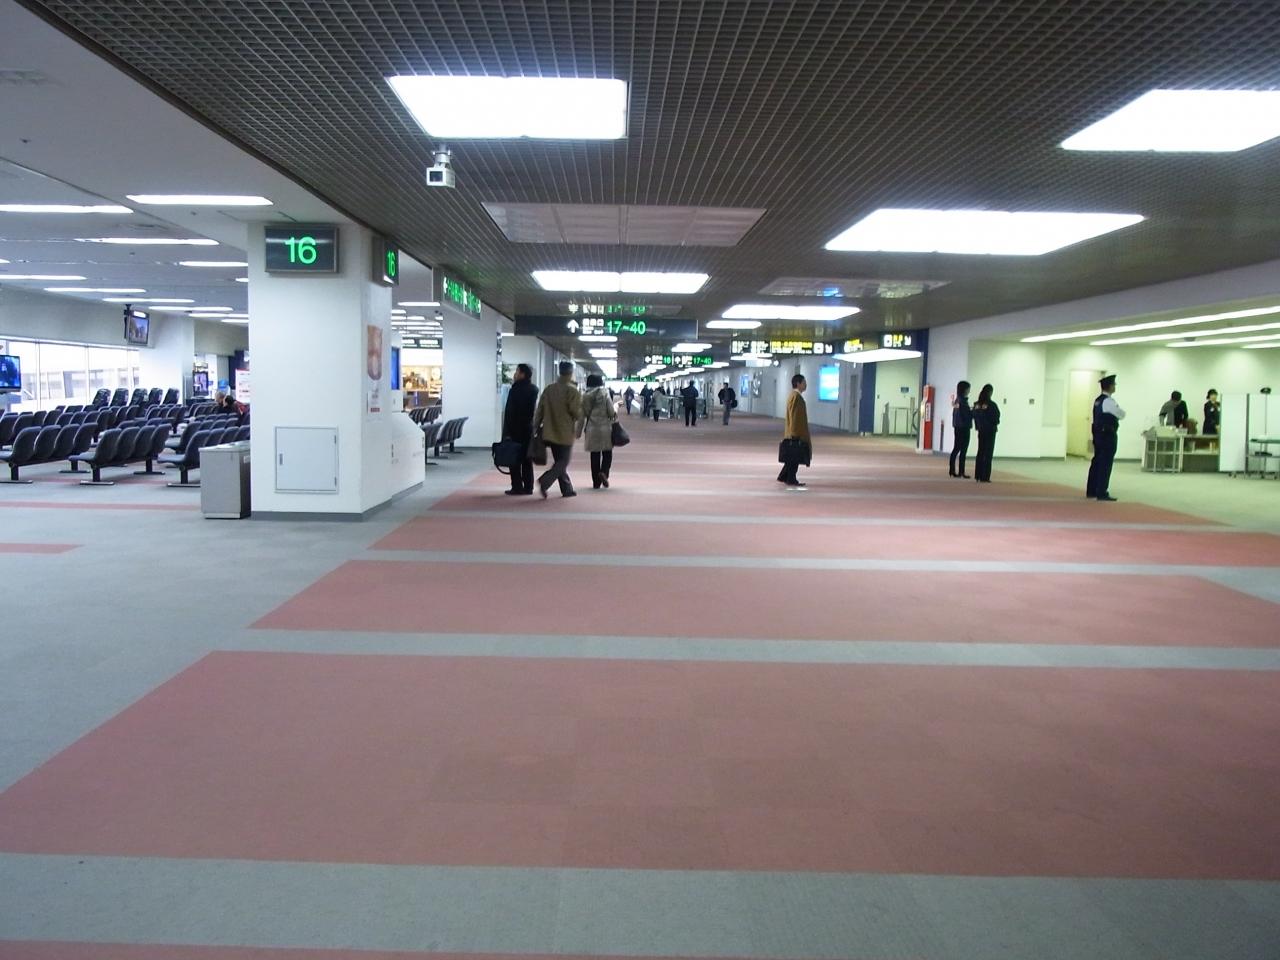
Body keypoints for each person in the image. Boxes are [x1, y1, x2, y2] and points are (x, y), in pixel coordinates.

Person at [533, 361, 583, 499]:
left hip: (549, 431)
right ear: (571, 373)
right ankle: (545, 481)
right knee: (563, 461)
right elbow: (576, 412)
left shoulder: (549, 389)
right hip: (565, 431)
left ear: (559, 372)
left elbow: (540, 410)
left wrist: (535, 426)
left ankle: (567, 489)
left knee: (559, 461)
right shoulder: (572, 390)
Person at [1086, 374, 1125, 501]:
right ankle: (1102, 491)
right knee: (1105, 464)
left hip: (1098, 434)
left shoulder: (1098, 400)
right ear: (1110, 386)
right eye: (1114, 385)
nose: (1115, 387)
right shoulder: (1109, 401)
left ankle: (1092, 490)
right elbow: (1121, 414)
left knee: (1097, 462)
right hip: (1107, 435)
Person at [501, 362, 538, 495]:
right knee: (527, 459)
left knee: (514, 459)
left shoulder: (515, 390)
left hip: (514, 429)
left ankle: (517, 486)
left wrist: (506, 432)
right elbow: (531, 411)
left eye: (517, 371)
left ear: (523, 374)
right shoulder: (533, 389)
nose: (514, 374)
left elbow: (510, 412)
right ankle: (528, 486)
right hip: (527, 428)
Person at [581, 373, 619, 489]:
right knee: (607, 453)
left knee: (594, 455)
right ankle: (604, 472)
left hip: (592, 428)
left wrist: (577, 432)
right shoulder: (605, 394)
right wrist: (616, 407)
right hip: (605, 428)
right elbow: (611, 412)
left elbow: (582, 415)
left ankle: (596, 482)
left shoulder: (585, 396)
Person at [777, 373, 810, 487]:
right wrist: (795, 433)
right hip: (796, 433)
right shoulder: (796, 397)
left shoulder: (794, 396)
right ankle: (791, 478)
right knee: (794, 456)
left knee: (792, 456)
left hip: (794, 431)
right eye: (804, 382)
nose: (806, 384)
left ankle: (785, 476)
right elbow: (794, 416)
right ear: (798, 383)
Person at [972, 383, 1000, 483]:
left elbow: (974, 416)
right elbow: (996, 418)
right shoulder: (992, 405)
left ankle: (978, 475)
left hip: (981, 430)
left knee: (980, 452)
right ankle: (985, 476)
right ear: (990, 392)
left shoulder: (977, 405)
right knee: (988, 454)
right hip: (990, 431)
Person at [949, 380, 972, 478]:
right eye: (968, 389)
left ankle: (952, 470)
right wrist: (973, 412)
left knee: (956, 448)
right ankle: (961, 471)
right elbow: (967, 415)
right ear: (965, 390)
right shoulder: (963, 402)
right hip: (964, 427)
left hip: (957, 426)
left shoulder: (957, 401)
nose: (969, 391)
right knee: (963, 450)